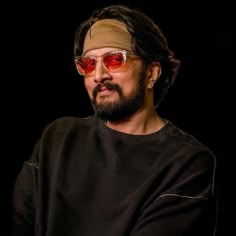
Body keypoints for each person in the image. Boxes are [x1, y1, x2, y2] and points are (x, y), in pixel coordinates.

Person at [9, 4, 217, 236]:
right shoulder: (57, 139)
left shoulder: (186, 163)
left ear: (151, 73)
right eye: (88, 64)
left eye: (115, 59)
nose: (99, 75)